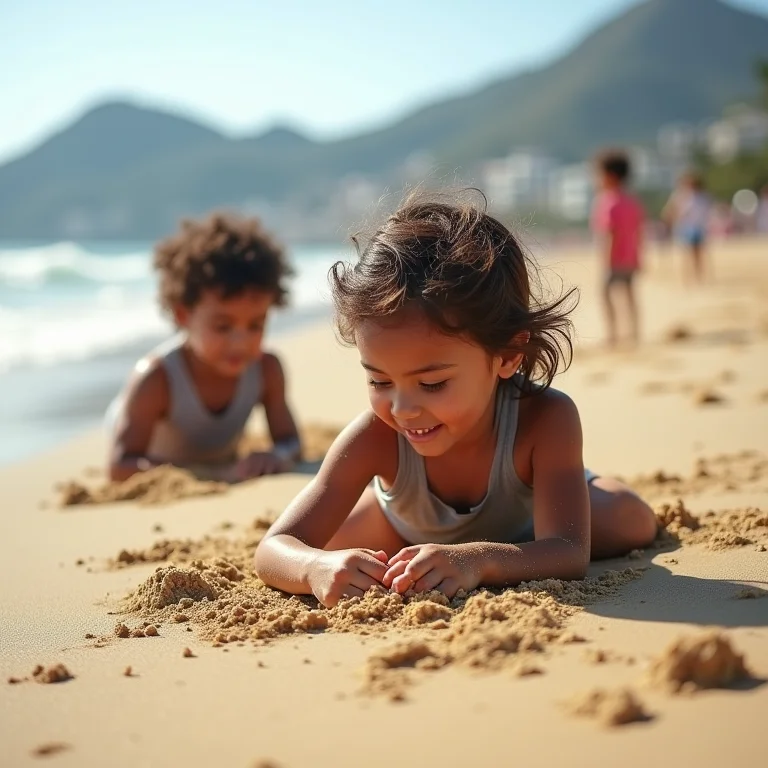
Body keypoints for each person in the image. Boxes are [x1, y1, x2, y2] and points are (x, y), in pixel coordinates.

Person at [254, 193, 657, 608]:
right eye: (379, 381)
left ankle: (576, 484)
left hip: (529, 527)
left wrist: (480, 559)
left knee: (632, 520)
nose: (402, 409)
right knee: (334, 550)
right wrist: (315, 567)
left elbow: (570, 552)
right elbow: (275, 547)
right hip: (405, 528)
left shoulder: (545, 418)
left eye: (431, 384)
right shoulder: (375, 437)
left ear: (507, 355)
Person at [107, 213, 301, 483]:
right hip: (138, 430)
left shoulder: (266, 369)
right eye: (223, 327)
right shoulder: (156, 380)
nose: (241, 342)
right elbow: (119, 466)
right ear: (183, 315)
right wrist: (214, 474)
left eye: (256, 325)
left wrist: (277, 455)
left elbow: (291, 441)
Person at [591, 150, 645, 348]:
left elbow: (609, 233)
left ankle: (612, 334)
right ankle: (634, 332)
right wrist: (639, 256)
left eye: (597, 174)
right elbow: (639, 232)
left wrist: (606, 259)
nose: (595, 179)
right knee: (630, 294)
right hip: (630, 257)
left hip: (614, 259)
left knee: (605, 294)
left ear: (610, 176)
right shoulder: (632, 201)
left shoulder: (607, 202)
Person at [663, 172, 712, 283]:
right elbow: (669, 210)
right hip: (686, 227)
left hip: (698, 227)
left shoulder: (702, 196)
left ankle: (699, 275)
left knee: (698, 253)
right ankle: (688, 277)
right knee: (688, 253)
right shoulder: (680, 195)